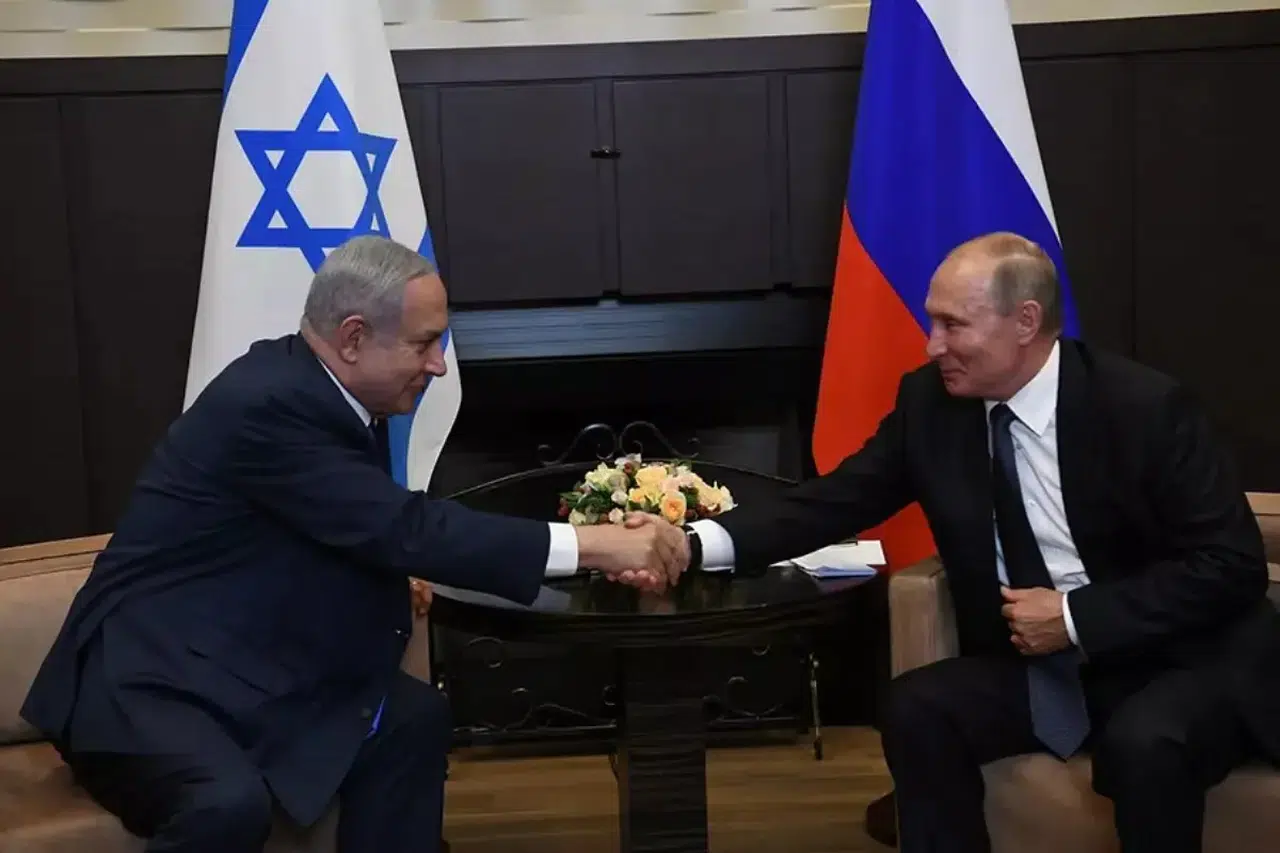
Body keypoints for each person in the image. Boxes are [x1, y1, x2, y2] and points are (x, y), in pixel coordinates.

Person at [20, 235, 688, 853]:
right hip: (144, 681)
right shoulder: (270, 403)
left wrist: (396, 577)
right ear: (353, 338)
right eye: (424, 344)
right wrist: (596, 545)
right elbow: (403, 527)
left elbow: (342, 525)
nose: (438, 365)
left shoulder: (330, 394)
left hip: (239, 659)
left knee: (411, 720)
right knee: (226, 804)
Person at [682, 232, 1279, 853]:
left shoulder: (1144, 408)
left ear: (1026, 322)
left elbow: (1231, 564)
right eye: (932, 322)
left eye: (953, 325)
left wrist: (1074, 617)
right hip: (1048, 668)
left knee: (1144, 743)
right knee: (917, 707)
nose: (932, 345)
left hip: (1178, 657)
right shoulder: (931, 404)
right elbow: (831, 503)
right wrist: (692, 544)